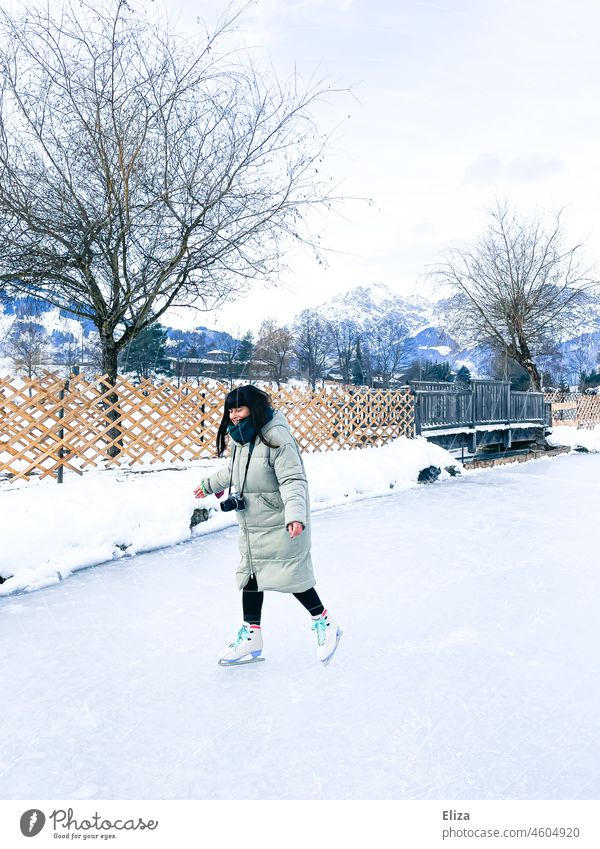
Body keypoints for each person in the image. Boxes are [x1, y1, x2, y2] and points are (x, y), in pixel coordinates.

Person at [194, 384, 341, 667]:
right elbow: (234, 471)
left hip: (280, 520)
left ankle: (325, 621)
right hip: (252, 523)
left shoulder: (277, 436)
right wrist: (209, 484)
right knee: (251, 577)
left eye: (239, 408)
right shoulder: (240, 437)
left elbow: (293, 479)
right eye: (230, 409)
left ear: (254, 407)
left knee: (292, 576)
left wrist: (295, 515)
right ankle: (252, 634)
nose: (234, 415)